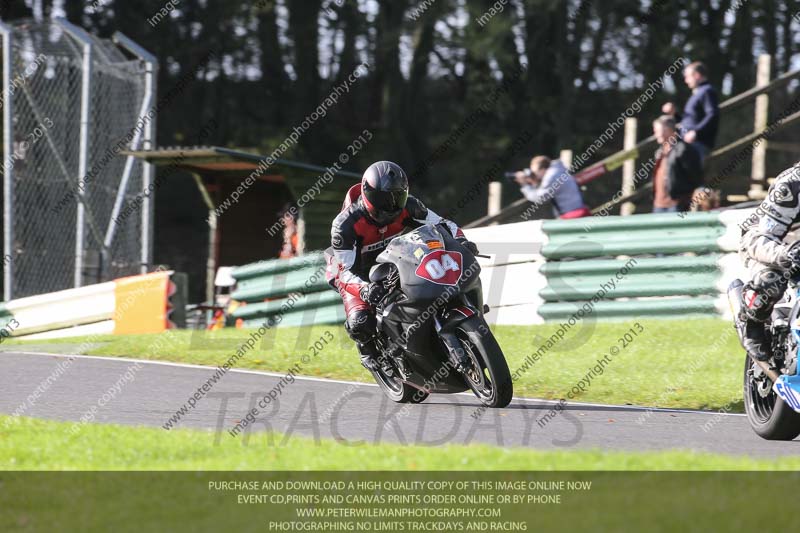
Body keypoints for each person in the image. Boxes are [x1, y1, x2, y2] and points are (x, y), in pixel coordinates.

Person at [327, 161, 478, 371]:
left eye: (397, 197)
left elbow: (444, 224)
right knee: (360, 321)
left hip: (397, 257)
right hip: (357, 270)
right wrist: (365, 289)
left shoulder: (410, 206)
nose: (391, 205)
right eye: (383, 199)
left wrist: (461, 240)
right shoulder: (345, 224)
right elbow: (344, 272)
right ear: (367, 193)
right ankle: (367, 348)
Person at [737, 163, 800, 361]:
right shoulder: (791, 185)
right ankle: (751, 324)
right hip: (770, 247)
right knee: (770, 279)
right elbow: (761, 237)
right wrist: (785, 254)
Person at [661, 61, 719, 163]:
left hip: (697, 144)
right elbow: (689, 121)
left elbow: (713, 114)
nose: (686, 80)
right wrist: (674, 114)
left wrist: (696, 132)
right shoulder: (698, 93)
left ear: (697, 75)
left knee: (688, 172)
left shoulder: (707, 91)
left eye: (688, 77)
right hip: (687, 144)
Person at [650, 115, 703, 213]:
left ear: (668, 130)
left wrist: (685, 197)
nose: (656, 134)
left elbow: (695, 176)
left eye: (657, 131)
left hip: (676, 204)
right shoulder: (660, 151)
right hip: (658, 204)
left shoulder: (683, 149)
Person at [514, 155, 590, 219]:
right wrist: (535, 183)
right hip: (580, 210)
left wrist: (525, 185)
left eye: (535, 172)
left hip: (573, 215)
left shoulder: (551, 176)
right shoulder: (559, 170)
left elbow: (540, 198)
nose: (535, 175)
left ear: (542, 169)